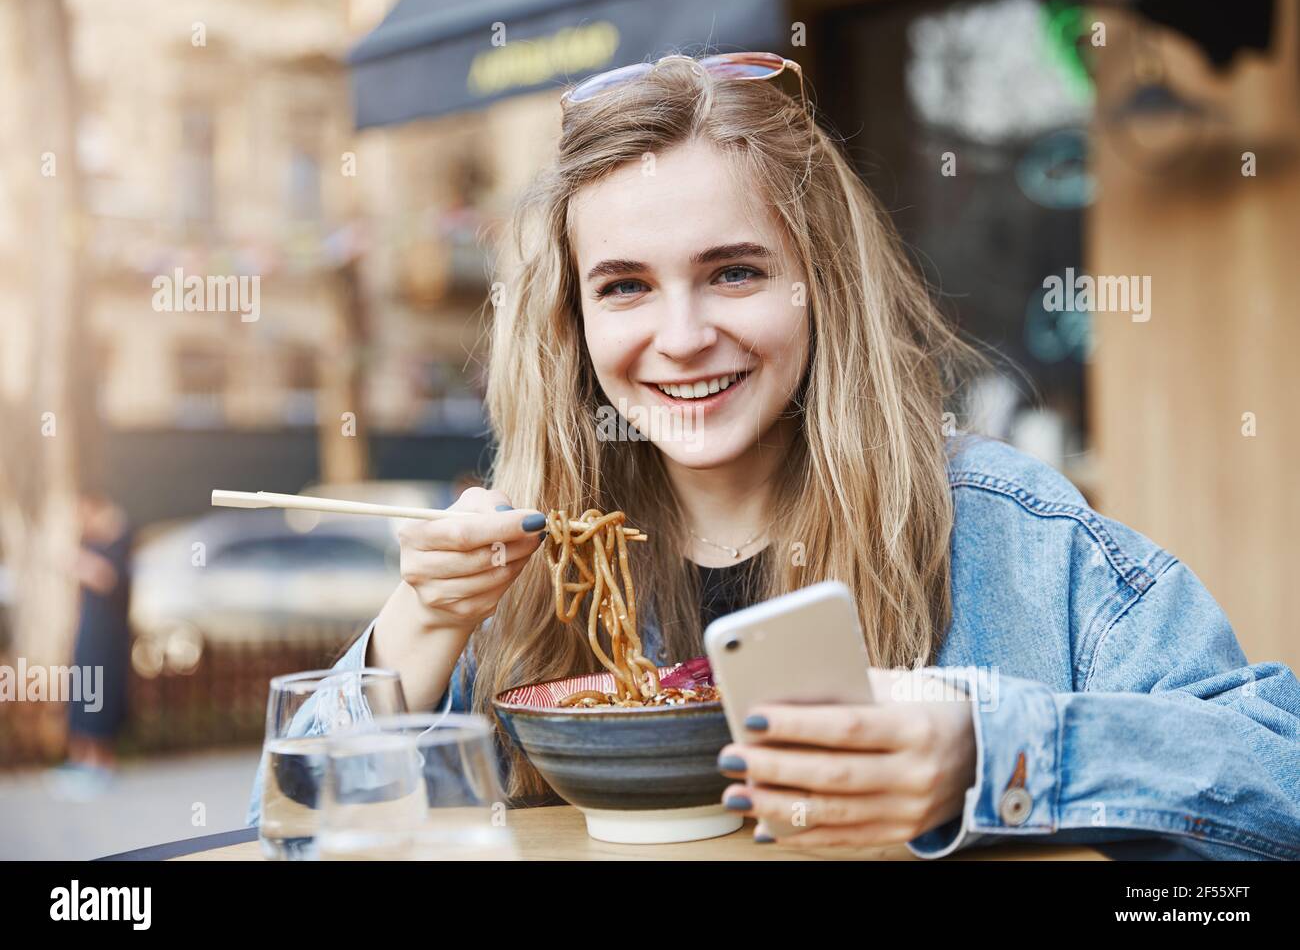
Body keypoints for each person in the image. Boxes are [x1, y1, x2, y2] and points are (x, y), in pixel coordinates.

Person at [248, 52, 1300, 859]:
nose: (682, 333)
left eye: (735, 271)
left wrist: (989, 752)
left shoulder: (1002, 525)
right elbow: (296, 824)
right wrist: (421, 624)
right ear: (573, 322)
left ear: (820, 283)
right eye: (625, 285)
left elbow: (1278, 777)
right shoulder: (525, 555)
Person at [46, 491, 133, 802]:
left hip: (108, 639)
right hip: (89, 634)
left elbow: (106, 578)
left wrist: (74, 561)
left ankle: (101, 765)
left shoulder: (119, 541)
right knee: (83, 692)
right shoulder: (92, 542)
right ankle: (81, 762)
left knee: (103, 695)